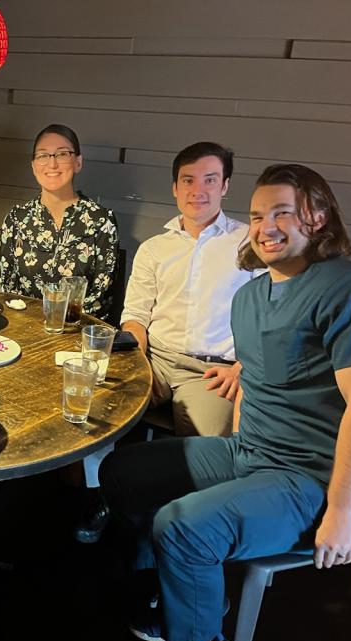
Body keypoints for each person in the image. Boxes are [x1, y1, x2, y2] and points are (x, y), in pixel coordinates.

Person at [99, 164, 351, 641]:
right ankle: (189, 598)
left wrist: (342, 509)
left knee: (182, 524)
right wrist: (239, 444)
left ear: (318, 215)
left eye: (283, 212)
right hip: (255, 455)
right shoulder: (253, 296)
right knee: (124, 473)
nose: (265, 226)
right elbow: (260, 380)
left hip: (317, 476)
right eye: (259, 214)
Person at [120, 142, 254, 438]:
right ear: (175, 188)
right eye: (188, 180)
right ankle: (91, 482)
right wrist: (134, 361)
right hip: (154, 360)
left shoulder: (249, 243)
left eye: (210, 180)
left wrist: (242, 368)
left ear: (225, 186)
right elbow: (135, 315)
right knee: (96, 403)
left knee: (205, 450)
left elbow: (272, 317)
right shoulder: (154, 248)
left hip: (211, 372)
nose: (197, 191)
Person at [0, 124, 119, 321]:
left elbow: (100, 299)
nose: (52, 164)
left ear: (78, 162)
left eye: (62, 154)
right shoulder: (17, 219)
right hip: (24, 331)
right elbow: (4, 288)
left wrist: (61, 326)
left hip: (77, 336)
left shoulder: (101, 221)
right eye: (43, 155)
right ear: (33, 165)